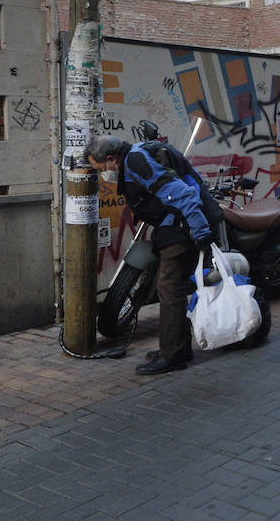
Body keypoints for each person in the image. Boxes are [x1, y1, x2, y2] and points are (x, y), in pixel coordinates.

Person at [85, 134, 221, 374]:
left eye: (100, 169)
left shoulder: (136, 161)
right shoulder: (134, 157)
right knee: (172, 288)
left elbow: (183, 194)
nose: (102, 175)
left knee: (169, 289)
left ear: (111, 159)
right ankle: (177, 348)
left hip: (183, 227)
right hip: (177, 226)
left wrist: (201, 232)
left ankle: (173, 356)